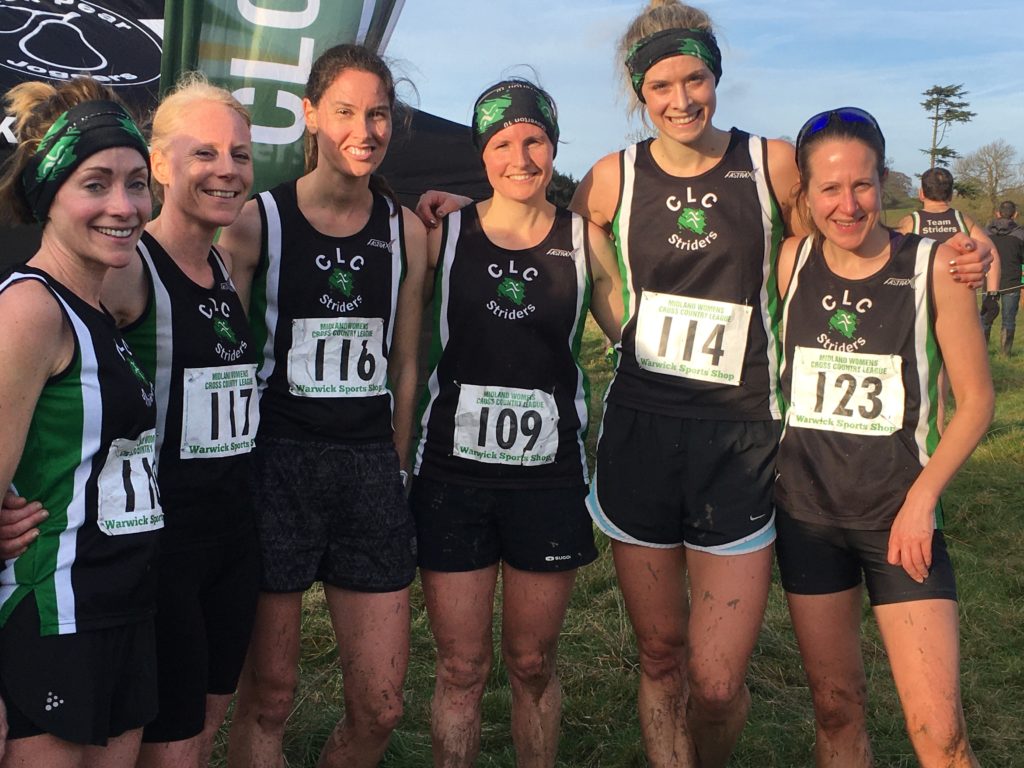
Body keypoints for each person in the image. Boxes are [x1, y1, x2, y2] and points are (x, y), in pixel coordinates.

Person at [414, 5, 990, 765]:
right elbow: (534, 215)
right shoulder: (614, 176)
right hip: (641, 437)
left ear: (716, 77)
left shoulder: (774, 163)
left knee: (716, 684)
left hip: (742, 440)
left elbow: (848, 233)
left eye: (696, 78)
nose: (681, 98)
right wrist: (462, 206)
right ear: (637, 91)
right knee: (659, 656)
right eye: (660, 84)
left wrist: (969, 252)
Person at [219, 44, 427, 768]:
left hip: (368, 469)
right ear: (311, 114)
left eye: (378, 115)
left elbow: (406, 361)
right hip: (278, 464)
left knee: (381, 707)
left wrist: (395, 458)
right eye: (345, 112)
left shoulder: (407, 231)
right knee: (270, 696)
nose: (364, 130)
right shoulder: (255, 223)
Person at [774, 106, 992, 767]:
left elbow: (977, 401)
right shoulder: (789, 260)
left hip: (899, 517)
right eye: (830, 189)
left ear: (885, 181)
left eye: (862, 184)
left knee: (941, 735)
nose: (848, 204)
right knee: (837, 714)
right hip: (807, 519)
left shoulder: (935, 268)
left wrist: (923, 502)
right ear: (806, 197)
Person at [411, 79, 620, 767]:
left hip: (548, 481)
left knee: (532, 663)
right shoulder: (443, 233)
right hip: (450, 476)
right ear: (483, 153)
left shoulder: (585, 240)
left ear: (554, 147)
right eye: (502, 143)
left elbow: (637, 341)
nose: (520, 156)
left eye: (534, 140)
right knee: (461, 670)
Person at [0, 77, 161, 766]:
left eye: (136, 182)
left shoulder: (101, 306)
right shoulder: (31, 311)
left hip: (121, 607)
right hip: (51, 618)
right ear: (49, 196)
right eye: (95, 184)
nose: (124, 206)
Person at [117, 76, 259, 768]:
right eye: (204, 153)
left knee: (202, 735)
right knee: (170, 752)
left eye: (240, 154)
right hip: (161, 549)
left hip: (232, 539)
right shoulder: (127, 268)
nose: (227, 170)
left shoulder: (224, 265)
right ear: (160, 165)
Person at [896, 167, 1001, 328]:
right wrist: (992, 295)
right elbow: (991, 252)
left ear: (921, 194)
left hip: (920, 303)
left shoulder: (909, 223)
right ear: (951, 194)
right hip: (960, 303)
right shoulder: (963, 220)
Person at [983, 201, 1024, 355]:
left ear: (998, 214)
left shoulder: (985, 233)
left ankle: (983, 352)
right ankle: (1005, 354)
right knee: (1008, 320)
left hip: (989, 281)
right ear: (1015, 215)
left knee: (986, 317)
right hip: (1011, 282)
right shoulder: (1021, 234)